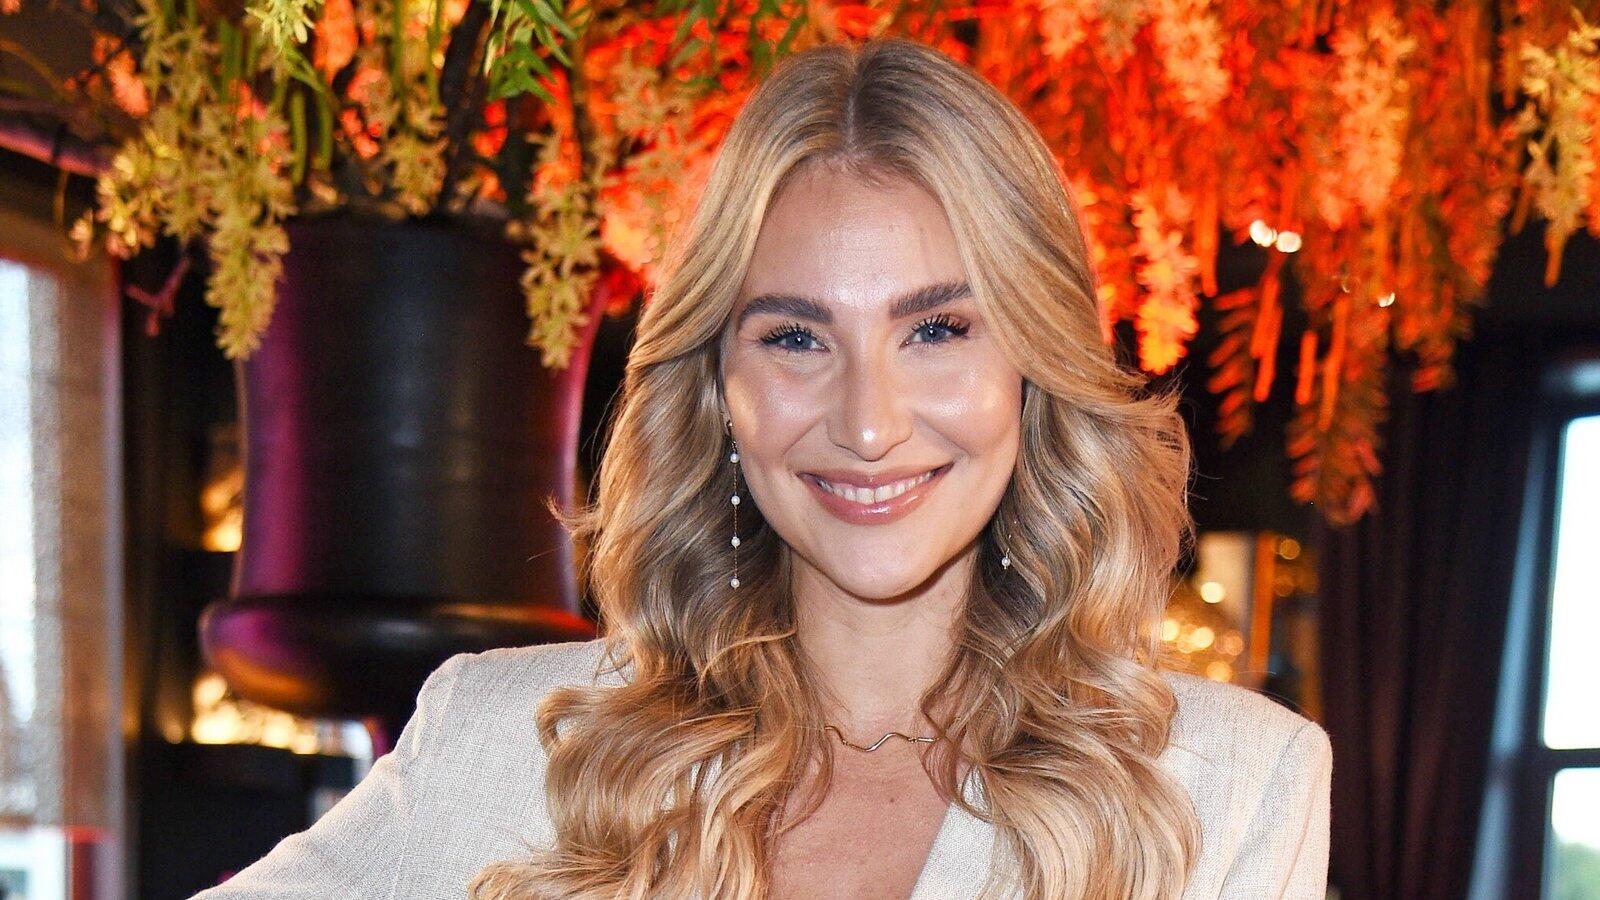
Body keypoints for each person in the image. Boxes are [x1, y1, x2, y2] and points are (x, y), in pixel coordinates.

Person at [192, 36, 1331, 900]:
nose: (869, 424)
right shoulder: (506, 742)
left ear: (1035, 365)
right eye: (794, 337)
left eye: (937, 330)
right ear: (716, 385)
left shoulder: (1229, 781)